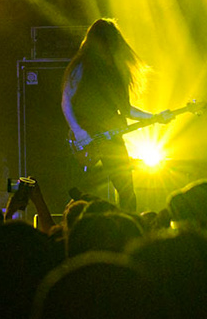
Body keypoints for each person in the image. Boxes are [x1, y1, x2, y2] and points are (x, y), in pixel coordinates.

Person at [60, 19, 173, 214]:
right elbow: (66, 100)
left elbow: (127, 110)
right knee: (82, 189)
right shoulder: (82, 66)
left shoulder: (117, 71)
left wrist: (155, 117)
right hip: (87, 136)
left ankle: (126, 227)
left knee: (126, 189)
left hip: (112, 138)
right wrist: (78, 131)